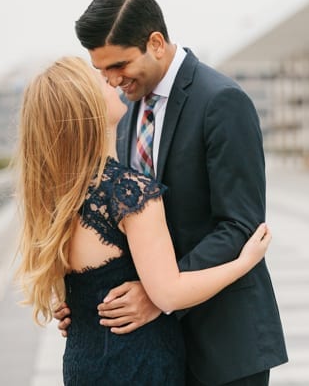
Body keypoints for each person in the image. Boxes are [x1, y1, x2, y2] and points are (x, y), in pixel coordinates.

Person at [56, 0, 288, 386]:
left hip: (225, 346)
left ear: (157, 43)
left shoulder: (222, 102)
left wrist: (159, 293)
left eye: (119, 65)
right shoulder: (125, 115)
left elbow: (239, 225)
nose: (111, 81)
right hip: (157, 352)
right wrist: (86, 299)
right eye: (102, 71)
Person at [15, 57, 272, 385]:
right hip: (138, 363)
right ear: (88, 109)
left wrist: (74, 309)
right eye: (99, 81)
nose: (111, 81)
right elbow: (169, 295)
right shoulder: (128, 191)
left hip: (85, 364)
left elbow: (78, 289)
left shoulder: (59, 200)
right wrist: (244, 262)